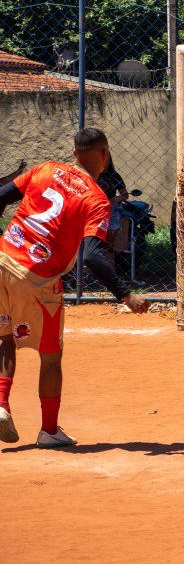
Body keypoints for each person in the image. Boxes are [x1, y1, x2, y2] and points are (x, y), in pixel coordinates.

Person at [0, 127, 150, 447]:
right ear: (104, 155)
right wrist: (125, 293)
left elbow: (1, 197)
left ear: (73, 153)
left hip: (2, 260)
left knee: (5, 338)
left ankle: (1, 404)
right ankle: (49, 431)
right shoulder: (95, 198)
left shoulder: (45, 169)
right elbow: (93, 257)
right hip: (36, 278)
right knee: (50, 357)